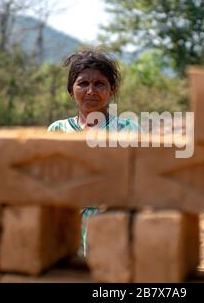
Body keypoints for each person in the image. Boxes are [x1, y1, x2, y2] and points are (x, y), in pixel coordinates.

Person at [48, 48, 141, 257]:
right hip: (67, 228)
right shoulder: (57, 131)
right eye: (83, 83)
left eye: (99, 84)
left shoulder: (128, 130)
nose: (91, 91)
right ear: (71, 90)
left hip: (114, 226)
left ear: (112, 89)